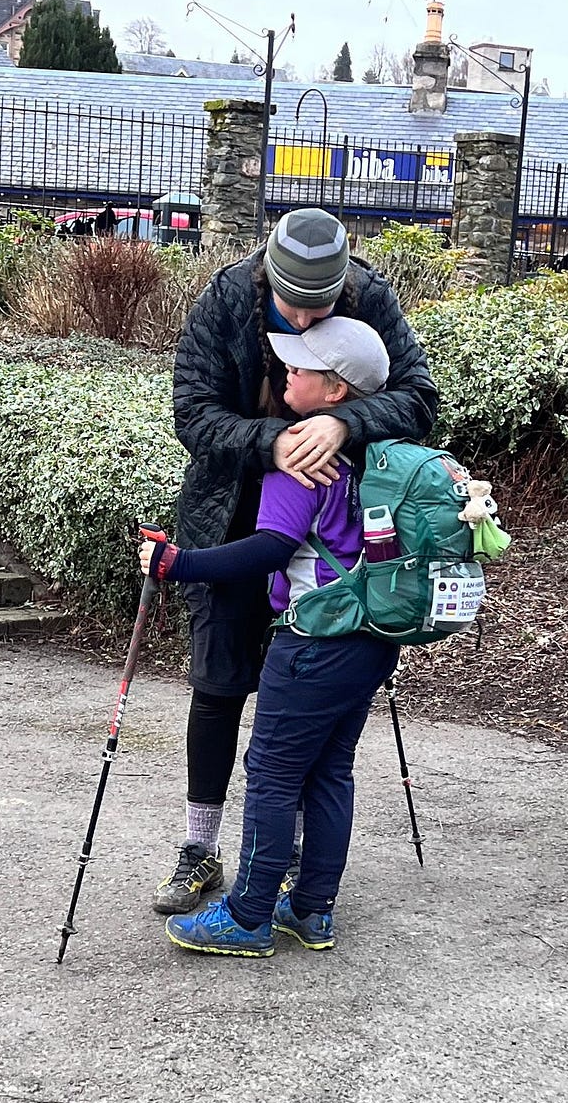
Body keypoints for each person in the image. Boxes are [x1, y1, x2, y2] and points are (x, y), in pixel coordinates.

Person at [156, 206, 436, 915]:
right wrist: (271, 443)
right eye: (294, 310)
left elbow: (419, 399)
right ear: (267, 281)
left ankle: (293, 860)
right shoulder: (225, 298)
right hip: (233, 513)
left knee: (307, 706)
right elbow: (192, 413)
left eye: (323, 309)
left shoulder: (368, 295)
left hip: (335, 538)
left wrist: (345, 419)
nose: (308, 325)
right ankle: (199, 848)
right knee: (218, 685)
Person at [140, 317, 401, 955]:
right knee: (331, 772)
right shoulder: (384, 455)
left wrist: (180, 563)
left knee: (274, 774)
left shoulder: (300, 460)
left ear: (335, 390)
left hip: (311, 637)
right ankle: (311, 911)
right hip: (371, 637)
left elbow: (268, 549)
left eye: (301, 366)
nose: (286, 369)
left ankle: (250, 915)